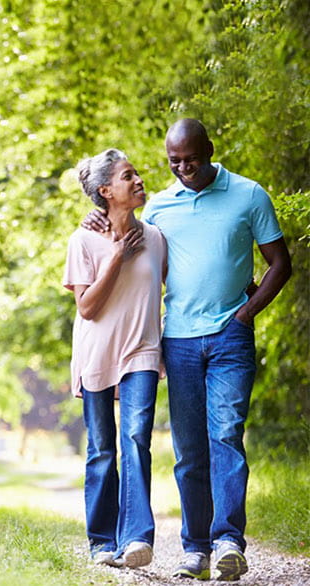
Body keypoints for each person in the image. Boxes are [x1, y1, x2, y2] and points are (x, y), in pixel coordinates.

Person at [83, 119, 293, 581]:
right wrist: (96, 217)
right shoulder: (159, 207)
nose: (183, 168)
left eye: (191, 159)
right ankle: (194, 548)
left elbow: (281, 264)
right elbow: (127, 240)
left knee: (226, 435)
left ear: (210, 150)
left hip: (229, 337)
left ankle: (227, 542)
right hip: (177, 340)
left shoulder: (249, 194)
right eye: (174, 162)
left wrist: (247, 312)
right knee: (188, 449)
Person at [65, 148, 166, 569]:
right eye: (128, 176)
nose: (139, 179)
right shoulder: (83, 240)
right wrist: (116, 256)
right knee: (103, 448)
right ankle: (101, 541)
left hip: (142, 350)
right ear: (106, 191)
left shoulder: (157, 238)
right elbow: (87, 308)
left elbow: (180, 288)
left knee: (136, 438)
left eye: (136, 173)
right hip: (97, 355)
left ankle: (136, 538)